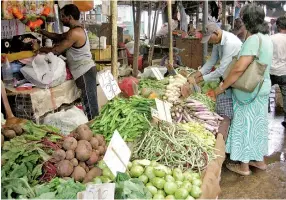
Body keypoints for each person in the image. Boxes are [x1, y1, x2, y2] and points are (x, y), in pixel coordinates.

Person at [214, 4, 273, 175]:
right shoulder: (266, 38)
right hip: (262, 87)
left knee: (245, 126)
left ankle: (244, 166)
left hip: (248, 91)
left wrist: (222, 86)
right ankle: (260, 161)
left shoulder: (253, 39)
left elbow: (239, 68)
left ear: (246, 19)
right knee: (257, 126)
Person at [36, 4, 98, 120]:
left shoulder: (74, 33)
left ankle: (94, 128)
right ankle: (92, 126)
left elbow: (56, 50)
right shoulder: (75, 30)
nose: (61, 18)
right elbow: (58, 37)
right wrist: (42, 32)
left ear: (69, 17)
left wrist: (40, 49)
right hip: (84, 70)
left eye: (63, 16)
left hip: (84, 71)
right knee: (88, 101)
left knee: (89, 103)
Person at [191, 22, 242, 124]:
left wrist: (200, 79)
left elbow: (222, 69)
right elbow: (211, 61)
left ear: (217, 32)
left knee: (230, 108)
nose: (209, 41)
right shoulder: (217, 42)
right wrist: (198, 73)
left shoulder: (230, 43)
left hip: (236, 77)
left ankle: (231, 126)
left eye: (210, 38)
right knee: (224, 105)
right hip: (227, 77)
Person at [270, 16, 286, 127]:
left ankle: (261, 115)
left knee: (263, 93)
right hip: (284, 72)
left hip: (270, 71)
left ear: (277, 26)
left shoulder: (271, 38)